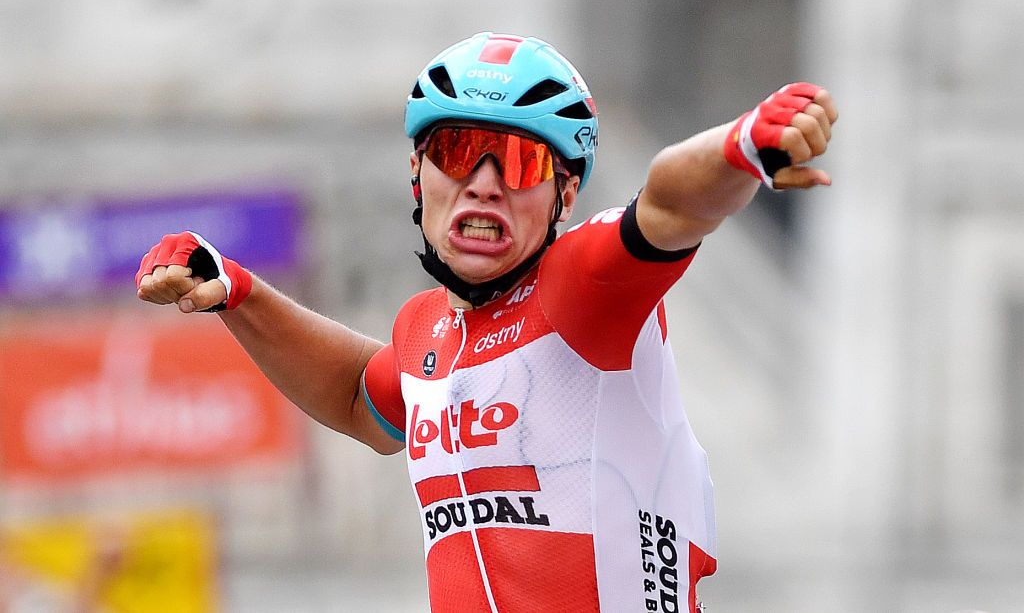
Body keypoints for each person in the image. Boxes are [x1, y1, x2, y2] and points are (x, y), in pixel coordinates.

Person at [136, 32, 837, 613]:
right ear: (418, 174)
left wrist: (743, 144)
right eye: (459, 152)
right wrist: (237, 289)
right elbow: (358, 393)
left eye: (523, 160)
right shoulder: (424, 333)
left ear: (565, 192)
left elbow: (672, 203)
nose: (485, 182)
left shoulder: (585, 286)